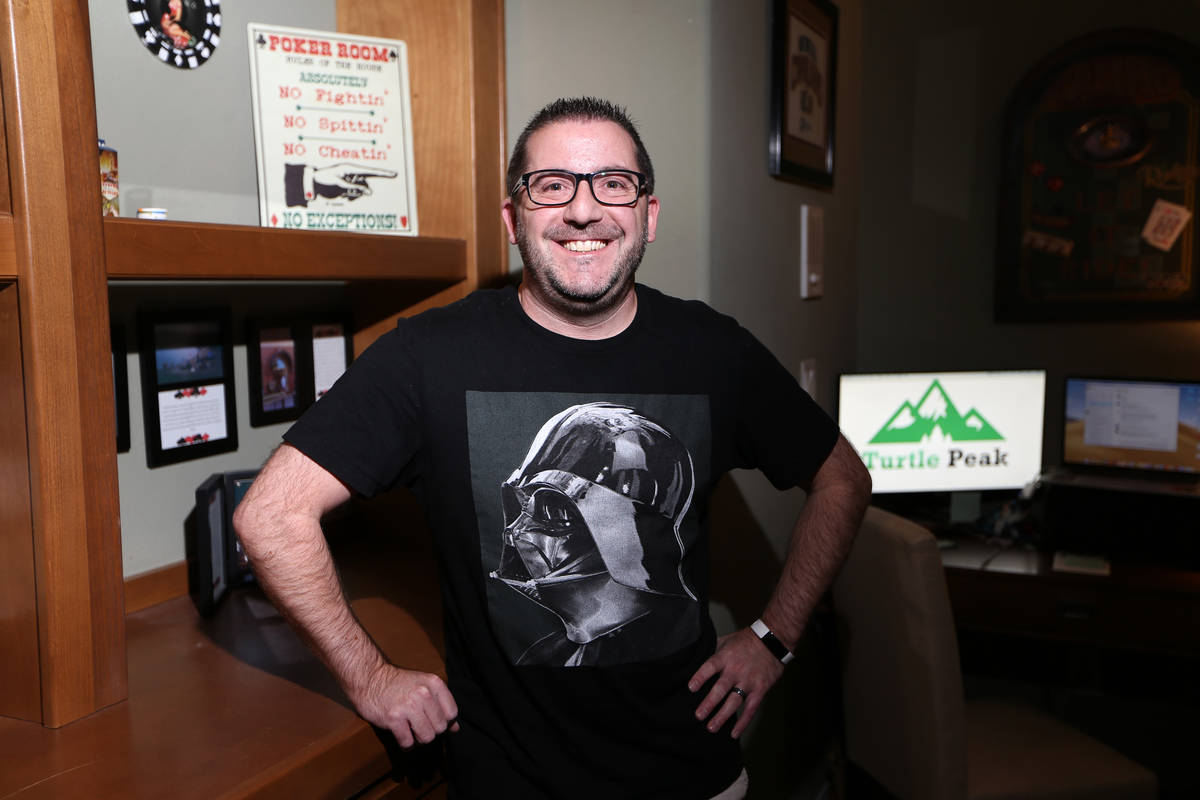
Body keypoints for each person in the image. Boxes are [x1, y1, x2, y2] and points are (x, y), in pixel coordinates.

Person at [233, 96, 872, 800]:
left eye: (613, 184)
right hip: (510, 782)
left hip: (692, 777)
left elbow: (842, 480)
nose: (583, 210)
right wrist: (370, 675)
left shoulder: (714, 351)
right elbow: (271, 516)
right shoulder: (427, 358)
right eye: (552, 185)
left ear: (648, 216)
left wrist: (774, 637)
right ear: (514, 220)